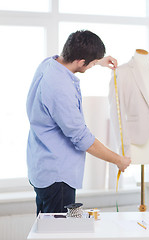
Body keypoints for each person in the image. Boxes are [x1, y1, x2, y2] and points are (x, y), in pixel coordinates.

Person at [26, 30, 131, 215]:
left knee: (45, 229)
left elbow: (77, 57)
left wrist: (98, 60)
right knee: (58, 233)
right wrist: (119, 160)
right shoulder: (60, 89)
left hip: (41, 167)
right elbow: (82, 138)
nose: (91, 67)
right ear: (81, 62)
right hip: (57, 178)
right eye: (89, 64)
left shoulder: (49, 64)